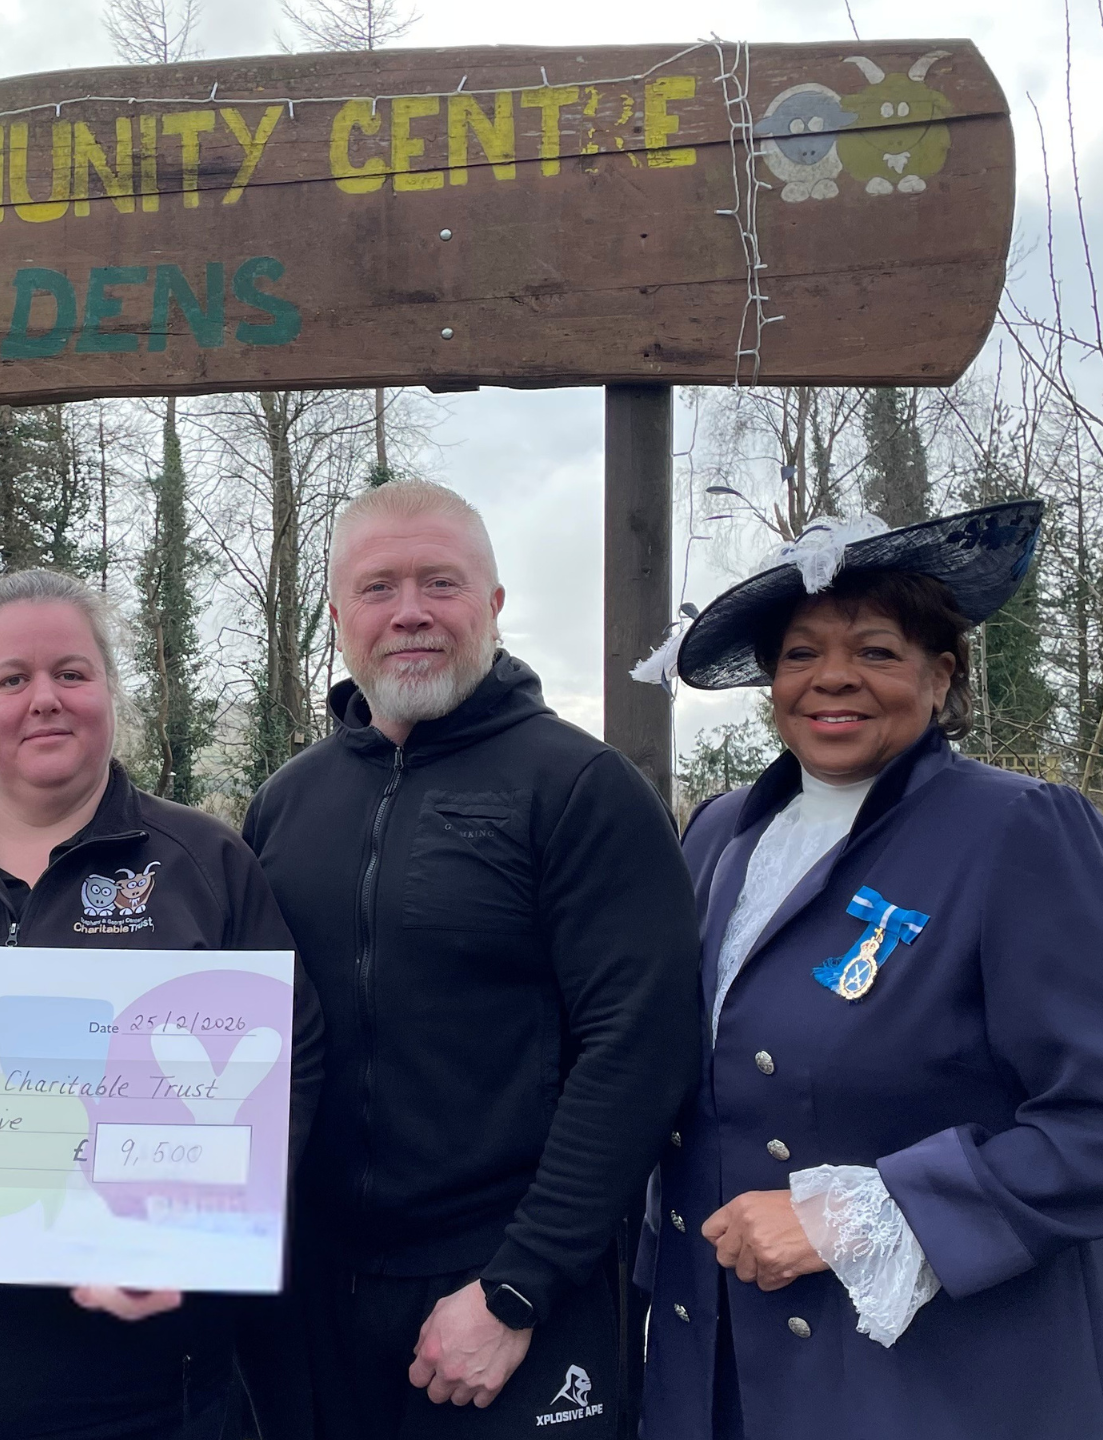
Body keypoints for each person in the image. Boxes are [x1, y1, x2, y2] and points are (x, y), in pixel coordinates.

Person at [634, 502, 1103, 1439]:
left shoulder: (1022, 832)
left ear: (942, 676)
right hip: (727, 1372)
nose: (833, 678)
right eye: (801, 654)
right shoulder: (721, 832)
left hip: (949, 1383)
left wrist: (857, 1215)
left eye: (878, 652)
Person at [0, 567, 321, 1440]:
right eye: (13, 679)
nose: (45, 699)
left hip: (144, 1402)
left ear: (110, 691)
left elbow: (289, 1073)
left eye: (71, 673)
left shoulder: (204, 868)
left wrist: (193, 1251)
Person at [241, 480, 703, 1437]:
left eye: (440, 583)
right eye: (378, 588)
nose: (410, 612)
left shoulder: (580, 789)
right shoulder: (288, 805)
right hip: (313, 1296)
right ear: (338, 617)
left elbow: (639, 1050)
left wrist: (517, 1288)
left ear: (493, 606)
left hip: (511, 1296)